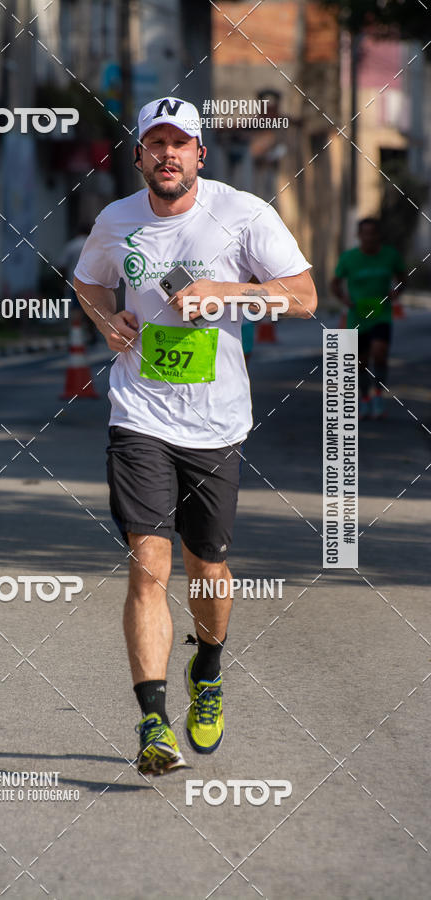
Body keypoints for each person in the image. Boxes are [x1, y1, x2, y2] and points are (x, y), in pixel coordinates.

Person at [73, 97, 317, 775]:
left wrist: (225, 291)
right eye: (156, 143)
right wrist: (105, 323)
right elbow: (88, 283)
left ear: (200, 156)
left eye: (181, 144)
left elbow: (303, 295)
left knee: (206, 562)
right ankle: (153, 722)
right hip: (139, 414)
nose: (168, 154)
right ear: (140, 155)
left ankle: (207, 667)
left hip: (215, 423)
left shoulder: (243, 214)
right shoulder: (116, 220)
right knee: (148, 564)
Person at [331, 218, 406, 420]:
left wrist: (396, 293)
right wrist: (343, 299)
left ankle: (379, 396)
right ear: (359, 235)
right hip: (357, 315)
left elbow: (403, 277)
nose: (369, 237)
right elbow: (335, 283)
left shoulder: (390, 255)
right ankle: (364, 398)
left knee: (379, 352)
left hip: (381, 314)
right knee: (360, 362)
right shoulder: (349, 258)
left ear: (378, 235)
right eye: (365, 233)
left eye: (373, 233)